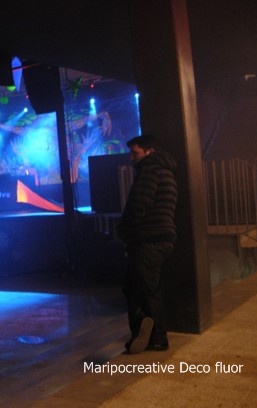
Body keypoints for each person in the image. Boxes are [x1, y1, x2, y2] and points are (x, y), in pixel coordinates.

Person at [117, 135, 178, 354]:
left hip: (147, 239)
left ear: (149, 151)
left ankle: (154, 334)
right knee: (139, 287)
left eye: (135, 153)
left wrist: (123, 230)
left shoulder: (150, 171)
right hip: (162, 236)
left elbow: (139, 204)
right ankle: (147, 331)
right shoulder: (166, 172)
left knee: (145, 290)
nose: (131, 157)